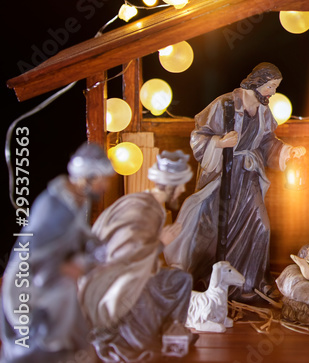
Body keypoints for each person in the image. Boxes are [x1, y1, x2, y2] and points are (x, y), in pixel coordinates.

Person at [163, 62, 306, 301]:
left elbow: (267, 143)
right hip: (223, 177)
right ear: (257, 82)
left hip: (248, 178)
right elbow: (198, 137)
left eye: (275, 88)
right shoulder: (225, 105)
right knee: (217, 229)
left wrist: (288, 152)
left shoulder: (263, 112)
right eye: (270, 86)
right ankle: (211, 283)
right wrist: (219, 143)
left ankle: (254, 282)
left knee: (261, 224)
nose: (272, 93)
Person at [80, 151, 198, 362]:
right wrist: (161, 243)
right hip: (121, 282)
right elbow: (126, 255)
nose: (182, 190)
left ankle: (171, 328)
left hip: (140, 273)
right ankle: (138, 337)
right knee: (143, 340)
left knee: (181, 280)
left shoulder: (150, 206)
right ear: (169, 186)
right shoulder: (143, 209)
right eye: (180, 185)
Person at [1, 142, 114, 362]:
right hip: (32, 285)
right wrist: (76, 265)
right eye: (103, 180)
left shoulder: (76, 203)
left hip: (53, 281)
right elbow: (35, 253)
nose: (106, 187)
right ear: (88, 178)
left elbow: (84, 240)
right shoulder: (55, 207)